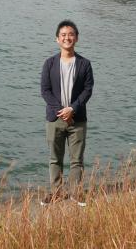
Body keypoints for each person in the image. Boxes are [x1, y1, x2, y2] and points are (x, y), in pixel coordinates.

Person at [40, 20, 94, 205]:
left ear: (76, 38)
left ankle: (76, 193)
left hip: (77, 119)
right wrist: (61, 111)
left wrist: (72, 108)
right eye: (63, 35)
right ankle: (56, 192)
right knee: (55, 159)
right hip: (54, 119)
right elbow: (45, 91)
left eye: (70, 34)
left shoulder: (84, 64)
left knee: (76, 160)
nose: (67, 37)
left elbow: (88, 90)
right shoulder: (49, 63)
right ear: (57, 39)